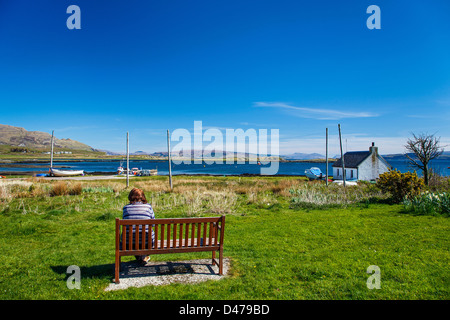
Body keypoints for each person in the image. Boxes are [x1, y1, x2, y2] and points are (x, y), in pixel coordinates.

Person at [122, 188, 155, 264]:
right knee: (147, 238)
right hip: (147, 242)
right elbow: (153, 224)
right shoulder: (148, 207)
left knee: (134, 240)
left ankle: (141, 258)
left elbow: (125, 223)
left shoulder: (126, 208)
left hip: (129, 242)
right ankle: (143, 258)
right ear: (143, 197)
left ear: (130, 196)